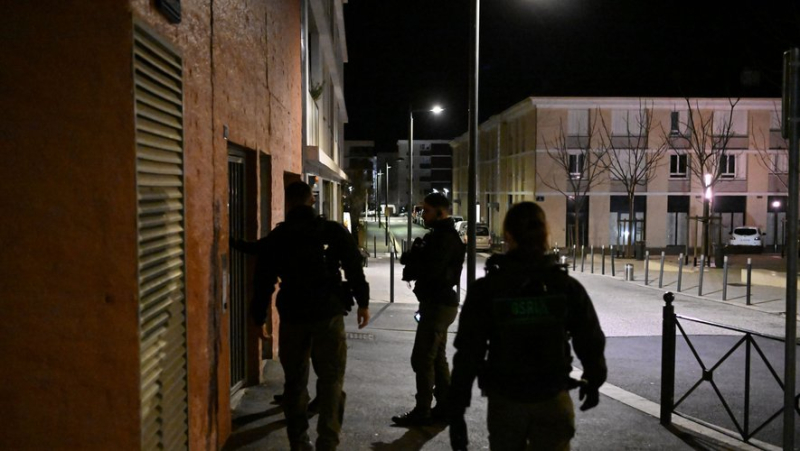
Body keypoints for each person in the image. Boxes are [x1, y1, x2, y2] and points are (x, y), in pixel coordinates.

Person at [448, 202, 607, 451]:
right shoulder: (565, 286)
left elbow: (468, 353)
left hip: (507, 401)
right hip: (552, 397)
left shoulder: (488, 289)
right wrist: (594, 379)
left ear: (508, 235)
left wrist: (457, 412)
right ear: (545, 234)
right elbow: (590, 338)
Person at [251, 181, 370, 451]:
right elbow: (353, 267)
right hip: (328, 312)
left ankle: (299, 443)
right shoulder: (331, 231)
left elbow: (263, 282)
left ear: (289, 203)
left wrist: (258, 318)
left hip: (293, 314)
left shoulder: (278, 237)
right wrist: (362, 302)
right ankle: (327, 442)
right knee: (331, 380)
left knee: (295, 382)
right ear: (312, 201)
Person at [393, 192, 466, 426]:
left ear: (440, 212)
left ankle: (423, 410)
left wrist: (414, 261)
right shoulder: (441, 236)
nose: (422, 214)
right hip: (439, 303)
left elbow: (431, 269)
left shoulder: (443, 239)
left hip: (438, 304)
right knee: (437, 358)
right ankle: (445, 406)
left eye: (426, 210)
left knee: (423, 358)